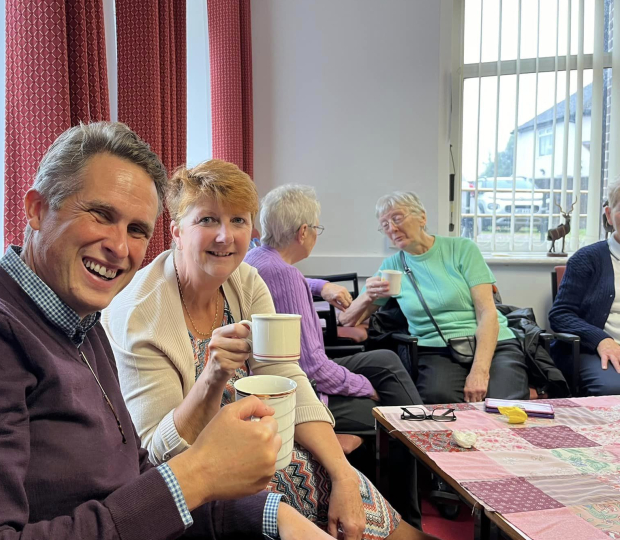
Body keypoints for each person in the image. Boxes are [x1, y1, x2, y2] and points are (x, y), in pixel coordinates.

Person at [0, 122, 341, 540]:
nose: (118, 246)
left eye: (136, 229)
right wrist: (197, 474)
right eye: (100, 214)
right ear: (35, 210)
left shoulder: (82, 324)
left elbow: (135, 482)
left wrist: (268, 516)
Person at [103, 161, 438, 540]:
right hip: (210, 484)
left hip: (277, 451)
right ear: (177, 232)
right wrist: (212, 376)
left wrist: (342, 473)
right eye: (208, 220)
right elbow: (159, 454)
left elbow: (288, 375)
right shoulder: (140, 314)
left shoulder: (245, 280)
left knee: (396, 529)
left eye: (239, 221)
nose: (225, 236)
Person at [244, 184, 424, 527]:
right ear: (303, 232)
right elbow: (315, 368)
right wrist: (361, 386)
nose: (316, 234)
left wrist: (320, 286)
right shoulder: (283, 273)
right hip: (304, 386)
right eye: (316, 228)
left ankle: (415, 445)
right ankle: (408, 497)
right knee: (388, 405)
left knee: (385, 360)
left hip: (298, 373)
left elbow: (293, 279)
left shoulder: (259, 258)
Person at [340, 191, 528, 405]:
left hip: (493, 344)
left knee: (505, 405)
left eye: (397, 218)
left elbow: (487, 312)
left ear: (422, 217)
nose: (391, 228)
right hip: (436, 350)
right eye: (384, 225)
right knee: (439, 405)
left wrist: (479, 371)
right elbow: (347, 320)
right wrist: (368, 295)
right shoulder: (391, 266)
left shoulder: (461, 249)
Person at [549, 178, 620, 395]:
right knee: (612, 390)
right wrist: (602, 339)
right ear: (609, 214)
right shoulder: (587, 259)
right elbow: (560, 315)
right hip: (595, 351)